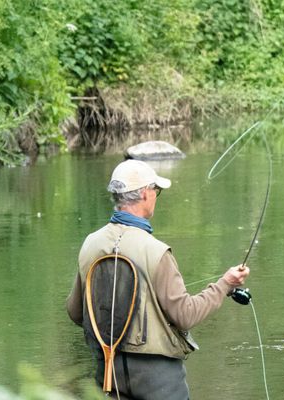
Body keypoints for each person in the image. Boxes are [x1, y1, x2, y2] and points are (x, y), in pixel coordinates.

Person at [66, 159, 249, 399]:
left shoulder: (91, 243)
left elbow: (75, 311)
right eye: (156, 190)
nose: (156, 196)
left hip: (109, 373)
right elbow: (186, 315)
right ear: (144, 194)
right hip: (159, 381)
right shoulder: (157, 251)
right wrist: (225, 284)